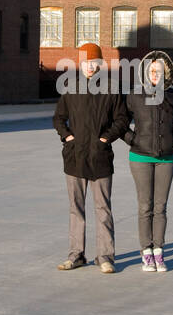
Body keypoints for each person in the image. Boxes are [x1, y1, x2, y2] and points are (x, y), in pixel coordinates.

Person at [52, 42, 129, 273]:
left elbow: (122, 120)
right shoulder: (71, 89)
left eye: (93, 63)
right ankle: (76, 255)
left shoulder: (111, 89)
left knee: (102, 208)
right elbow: (58, 118)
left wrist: (105, 139)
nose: (89, 67)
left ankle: (105, 257)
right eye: (85, 63)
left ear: (100, 64)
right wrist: (67, 138)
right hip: (75, 158)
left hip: (100, 158)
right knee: (76, 209)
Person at [122, 50, 173, 273]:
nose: (155, 74)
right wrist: (132, 139)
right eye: (152, 71)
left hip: (167, 158)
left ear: (166, 73)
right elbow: (120, 121)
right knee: (145, 206)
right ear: (146, 72)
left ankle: (159, 252)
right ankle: (146, 253)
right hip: (140, 157)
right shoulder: (134, 95)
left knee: (160, 207)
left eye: (159, 71)